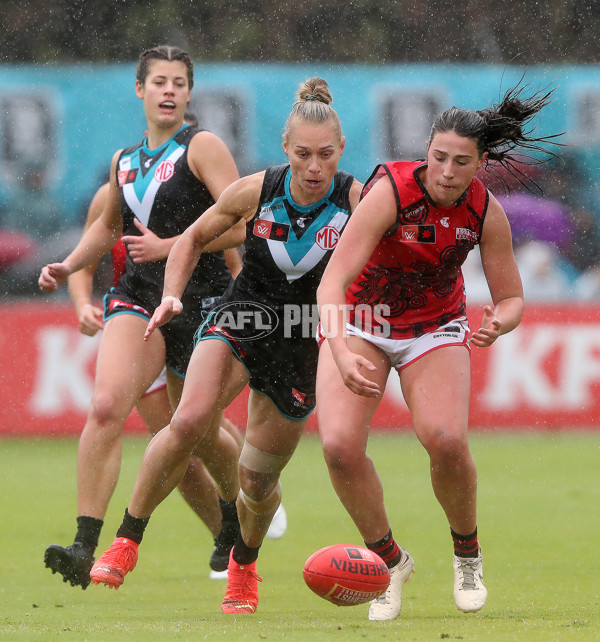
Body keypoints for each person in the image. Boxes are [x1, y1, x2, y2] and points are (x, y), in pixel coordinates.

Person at [88, 77, 362, 615]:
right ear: (285, 149)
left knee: (258, 484)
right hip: (240, 314)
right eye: (302, 154)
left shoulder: (359, 199)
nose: (313, 168)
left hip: (301, 337)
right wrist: (170, 296)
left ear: (341, 151)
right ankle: (126, 540)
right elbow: (190, 237)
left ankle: (244, 561)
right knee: (188, 420)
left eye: (325, 155)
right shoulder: (255, 189)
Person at [315, 83, 562, 620]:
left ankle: (467, 555)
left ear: (481, 163)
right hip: (360, 321)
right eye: (438, 158)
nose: (447, 171)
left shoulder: (485, 211)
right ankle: (388, 563)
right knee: (337, 446)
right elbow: (330, 285)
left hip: (435, 326)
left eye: (461, 162)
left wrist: (501, 321)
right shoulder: (389, 193)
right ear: (426, 152)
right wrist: (338, 347)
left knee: (446, 440)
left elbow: (512, 296)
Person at [38, 45, 247, 589]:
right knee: (106, 405)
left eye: (179, 82)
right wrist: (68, 265)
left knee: (194, 429)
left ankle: (233, 515)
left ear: (189, 93)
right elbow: (107, 228)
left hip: (202, 302)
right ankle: (85, 544)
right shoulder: (123, 159)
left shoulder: (202, 147)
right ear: (140, 90)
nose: (169, 90)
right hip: (138, 297)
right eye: (159, 81)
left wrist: (174, 245)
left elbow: (246, 224)